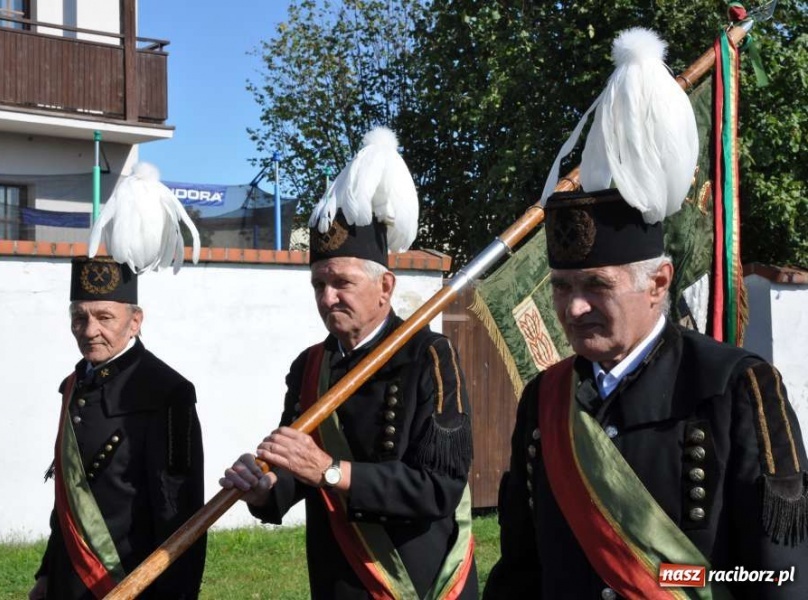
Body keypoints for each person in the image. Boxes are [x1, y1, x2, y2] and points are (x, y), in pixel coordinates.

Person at [483, 29, 808, 599]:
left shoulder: (737, 390)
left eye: (596, 286)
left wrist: (670, 579)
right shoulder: (544, 401)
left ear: (658, 282)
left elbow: (777, 576)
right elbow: (521, 572)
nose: (573, 307)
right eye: (562, 287)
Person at [220, 127, 478, 599]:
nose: (327, 297)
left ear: (385, 287)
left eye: (342, 282)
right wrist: (265, 488)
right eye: (318, 284)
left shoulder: (430, 356)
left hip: (417, 581)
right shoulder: (308, 367)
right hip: (338, 580)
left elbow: (439, 488)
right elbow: (296, 470)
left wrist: (331, 471)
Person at [29, 256, 205, 600]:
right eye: (79, 317)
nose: (89, 330)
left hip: (129, 584)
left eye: (104, 317)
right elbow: (69, 495)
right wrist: (48, 573)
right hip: (69, 581)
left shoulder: (168, 393)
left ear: (135, 321)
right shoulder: (74, 386)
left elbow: (179, 516)